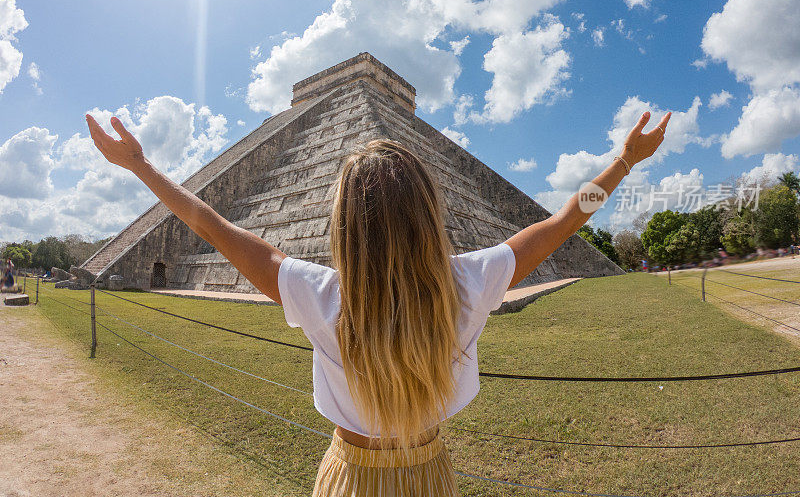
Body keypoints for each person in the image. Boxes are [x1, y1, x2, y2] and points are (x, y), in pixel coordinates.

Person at [86, 108, 669, 496]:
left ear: (345, 224)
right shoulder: (471, 283)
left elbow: (209, 224)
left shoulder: (321, 297)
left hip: (353, 477)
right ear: (428, 215)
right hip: (429, 473)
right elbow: (566, 221)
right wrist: (624, 161)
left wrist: (141, 167)